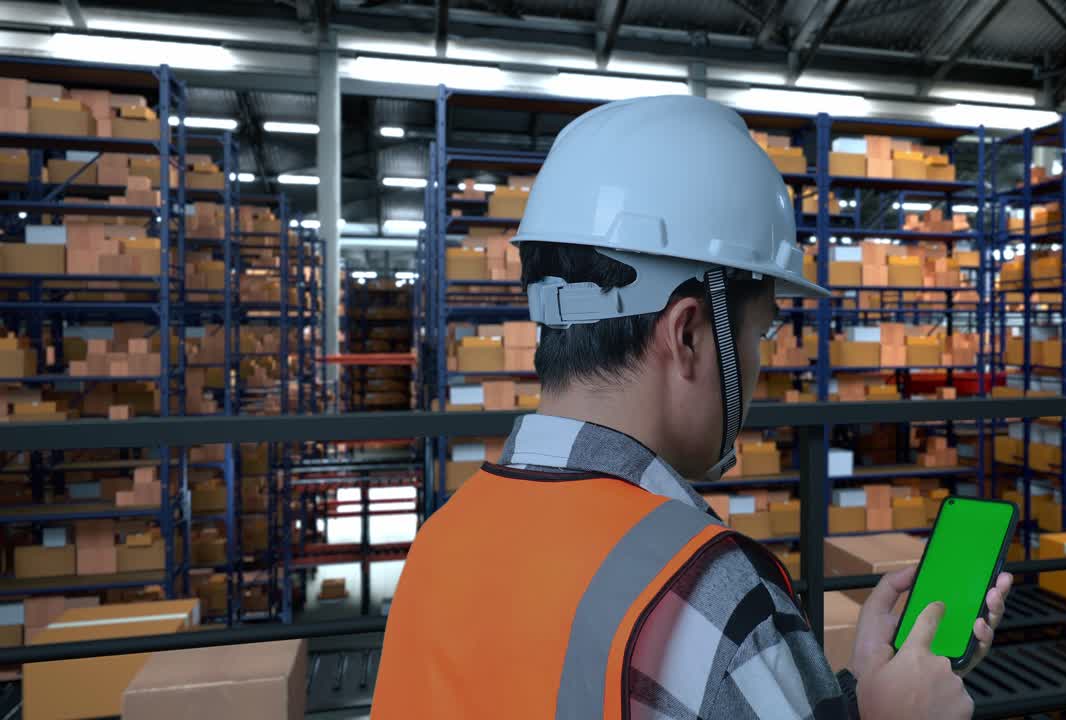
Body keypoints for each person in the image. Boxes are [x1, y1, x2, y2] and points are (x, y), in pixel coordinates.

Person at [372, 95, 1012, 719]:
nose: (760, 363)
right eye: (761, 333)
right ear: (687, 335)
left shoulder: (439, 543)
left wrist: (865, 696)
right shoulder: (712, 597)